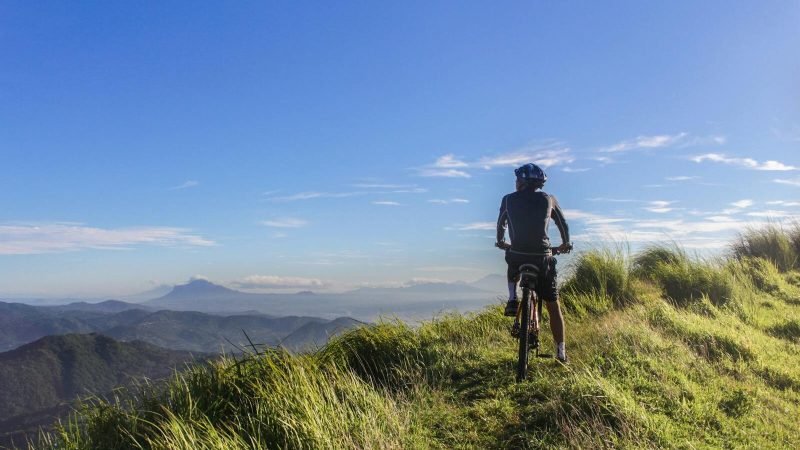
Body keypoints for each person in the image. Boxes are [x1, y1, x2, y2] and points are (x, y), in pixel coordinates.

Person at [496, 163, 571, 362]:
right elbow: (563, 225)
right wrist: (565, 244)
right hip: (542, 258)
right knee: (553, 306)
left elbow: (501, 224)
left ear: (521, 181)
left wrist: (501, 242)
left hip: (518, 255)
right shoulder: (549, 199)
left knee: (510, 259)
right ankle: (561, 353)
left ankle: (512, 298)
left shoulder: (508, 200)